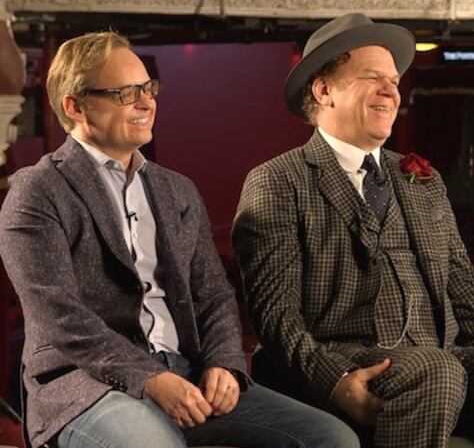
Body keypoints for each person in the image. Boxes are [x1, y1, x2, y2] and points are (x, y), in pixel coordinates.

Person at [0, 31, 359, 448]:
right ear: (75, 106)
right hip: (87, 385)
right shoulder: (38, 190)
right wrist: (152, 379)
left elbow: (213, 294)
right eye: (125, 93)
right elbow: (61, 317)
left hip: (188, 370)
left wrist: (224, 364)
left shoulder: (177, 190)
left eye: (148, 88)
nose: (147, 102)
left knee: (331, 438)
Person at [232, 13, 474, 448]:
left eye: (394, 80)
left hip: (439, 362)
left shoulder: (421, 179)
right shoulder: (277, 181)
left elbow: (463, 288)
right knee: (435, 370)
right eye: (373, 78)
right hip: (346, 362)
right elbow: (276, 319)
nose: (392, 91)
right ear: (323, 90)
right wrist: (335, 381)